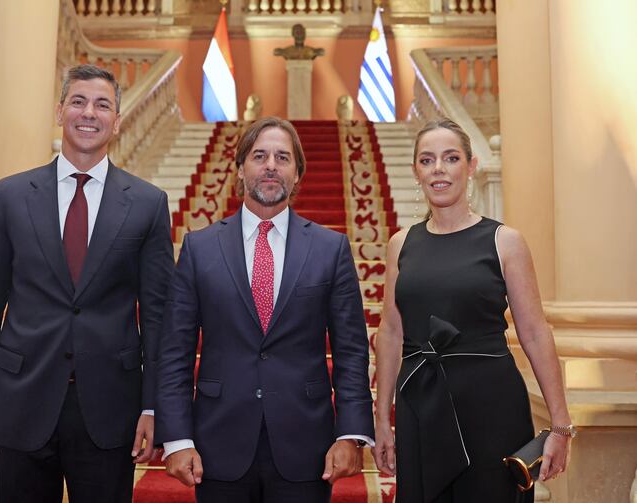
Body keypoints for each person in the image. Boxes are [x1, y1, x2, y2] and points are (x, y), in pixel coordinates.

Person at [0, 64, 173, 502]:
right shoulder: (9, 196)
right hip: (20, 402)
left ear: (118, 119)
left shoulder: (149, 205)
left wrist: (154, 407)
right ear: (59, 112)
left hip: (110, 410)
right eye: (78, 101)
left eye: (102, 104)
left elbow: (159, 320)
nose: (88, 113)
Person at [155, 116, 375, 502]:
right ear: (241, 169)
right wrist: (176, 438)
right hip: (216, 444)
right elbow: (175, 350)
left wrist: (350, 434)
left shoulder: (331, 249)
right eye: (259, 155)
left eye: (283, 157)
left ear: (297, 174)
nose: (271, 165)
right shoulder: (199, 248)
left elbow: (352, 352)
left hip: (306, 446)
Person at [372, 118, 573, 502]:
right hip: (420, 403)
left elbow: (534, 332)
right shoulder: (401, 244)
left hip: (491, 404)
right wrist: (382, 417)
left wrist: (560, 425)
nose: (439, 170)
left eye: (450, 158)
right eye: (427, 160)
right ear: (416, 170)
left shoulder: (505, 242)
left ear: (471, 165)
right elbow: (391, 333)